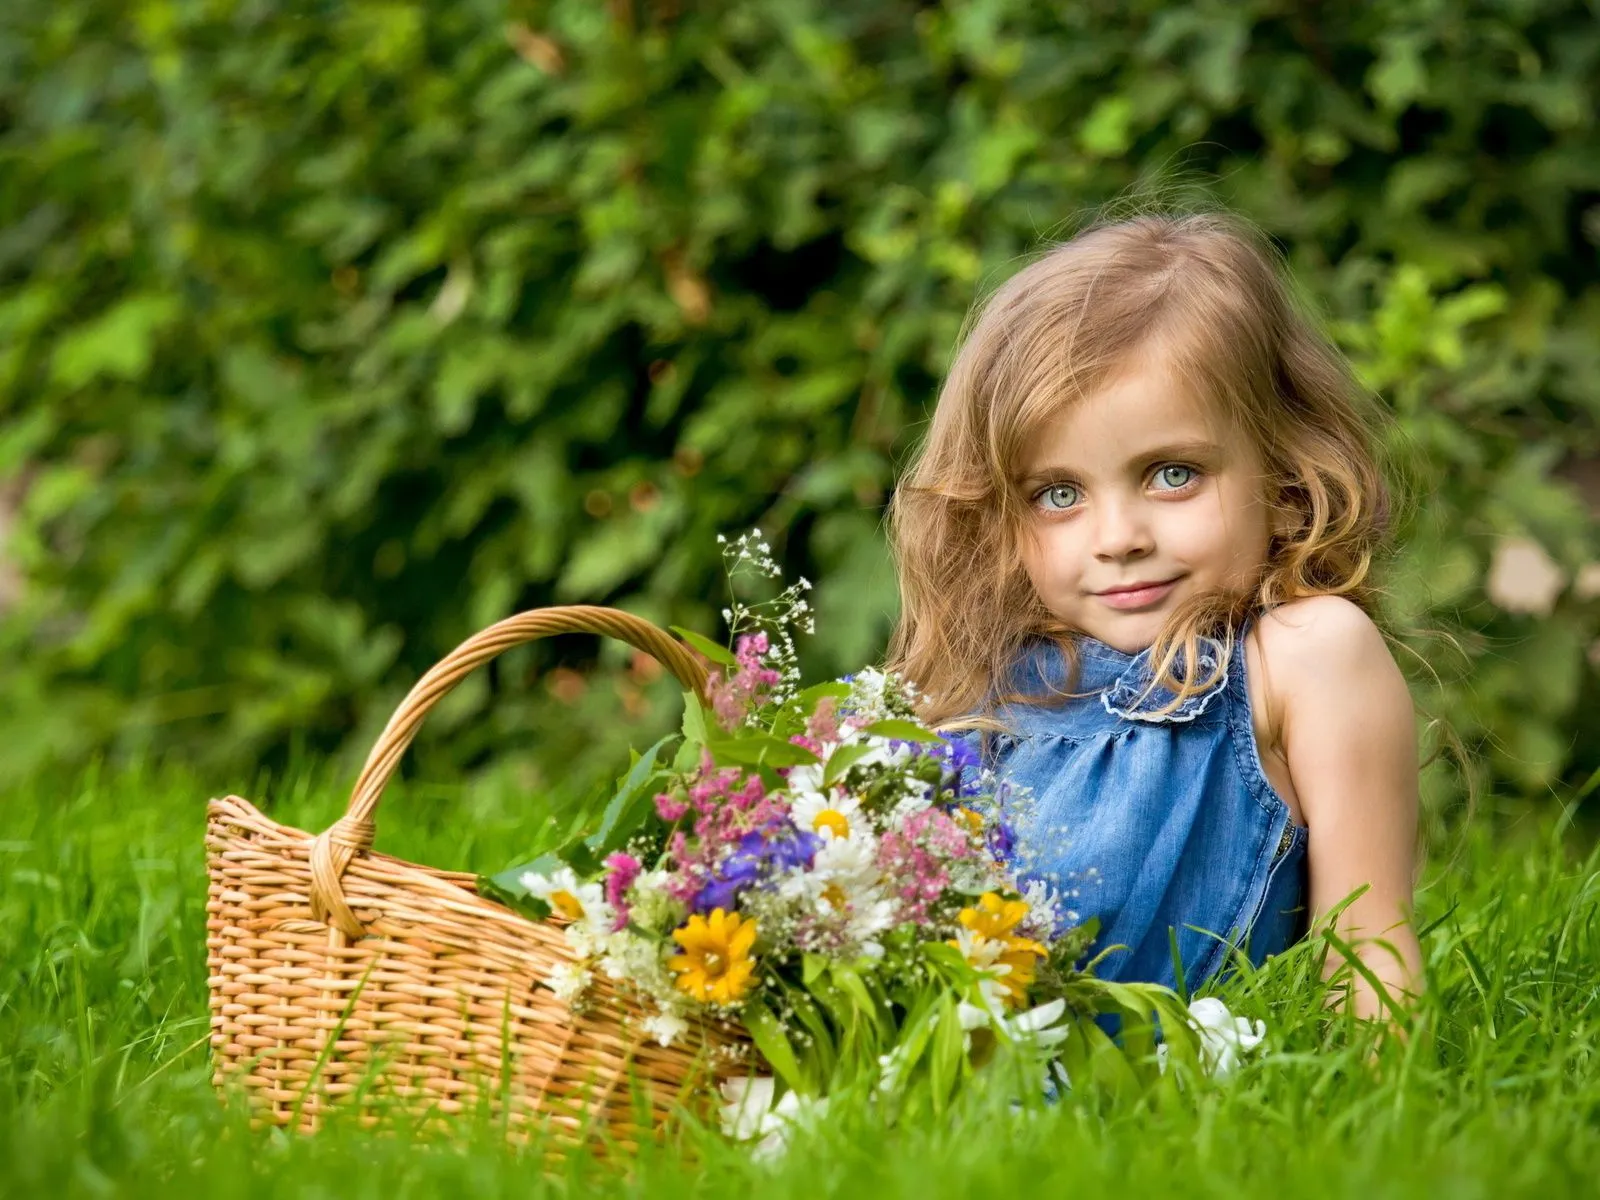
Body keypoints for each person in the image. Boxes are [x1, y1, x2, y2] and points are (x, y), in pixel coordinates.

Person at [886, 211, 1424, 1024]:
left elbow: (1368, 948)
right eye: (1058, 494)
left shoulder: (1302, 658)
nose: (1118, 540)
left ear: (1284, 476)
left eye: (1173, 475)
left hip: (1158, 1103)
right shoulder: (993, 682)